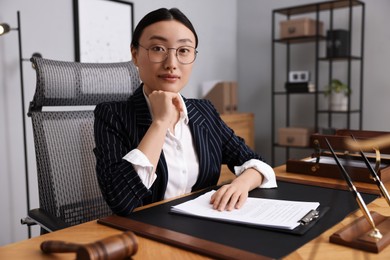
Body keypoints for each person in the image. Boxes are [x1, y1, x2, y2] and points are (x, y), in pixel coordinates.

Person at [93, 7, 277, 216]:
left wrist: (241, 184)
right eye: (158, 48)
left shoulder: (204, 112)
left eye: (183, 51)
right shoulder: (112, 115)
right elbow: (121, 201)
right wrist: (160, 123)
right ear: (135, 55)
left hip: (204, 229)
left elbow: (255, 162)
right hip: (144, 236)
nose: (171, 64)